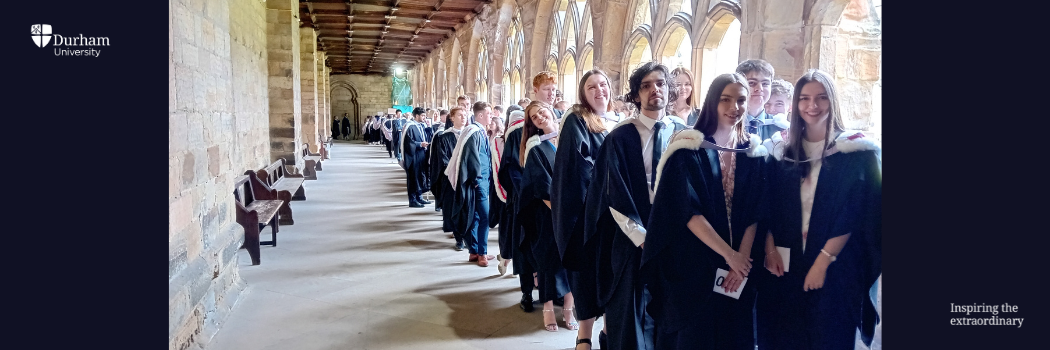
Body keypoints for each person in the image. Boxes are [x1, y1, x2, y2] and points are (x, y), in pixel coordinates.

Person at [640, 73, 770, 350]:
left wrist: (742, 261)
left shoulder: (753, 153)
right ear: (712, 102)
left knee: (734, 336)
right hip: (695, 267)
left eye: (741, 100)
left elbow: (756, 212)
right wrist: (729, 255)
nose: (734, 106)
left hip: (738, 271)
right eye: (726, 99)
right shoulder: (687, 150)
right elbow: (688, 210)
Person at [756, 69, 881, 350]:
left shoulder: (854, 152)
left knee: (829, 336)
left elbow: (858, 213)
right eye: (805, 98)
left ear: (832, 101)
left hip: (836, 267)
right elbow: (765, 207)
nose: (813, 106)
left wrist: (823, 262)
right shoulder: (780, 152)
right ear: (796, 104)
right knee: (783, 336)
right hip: (783, 265)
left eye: (821, 98)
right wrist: (770, 249)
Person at [584, 61, 688, 350]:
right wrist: (642, 237)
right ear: (636, 94)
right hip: (632, 236)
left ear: (670, 90)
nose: (655, 89)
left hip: (673, 234)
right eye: (646, 85)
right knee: (630, 314)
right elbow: (612, 192)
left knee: (671, 310)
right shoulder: (620, 136)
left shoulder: (684, 134)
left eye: (661, 84)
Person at [551, 68, 622, 350]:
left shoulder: (622, 121)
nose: (599, 90)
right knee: (588, 271)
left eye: (603, 84)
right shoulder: (578, 121)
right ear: (583, 93)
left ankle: (610, 330)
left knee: (615, 271)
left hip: (620, 212)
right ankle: (584, 335)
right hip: (590, 212)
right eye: (591, 86)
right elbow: (576, 167)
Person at [517, 101, 577, 333]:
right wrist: (563, 214)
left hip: (574, 215)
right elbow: (542, 187)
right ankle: (549, 308)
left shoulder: (570, 141)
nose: (540, 117)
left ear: (551, 111)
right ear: (531, 124)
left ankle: (570, 309)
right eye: (533, 117)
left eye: (541, 111)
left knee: (573, 262)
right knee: (549, 263)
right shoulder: (537, 149)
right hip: (550, 216)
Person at [446, 101, 496, 267]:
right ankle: (482, 252)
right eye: (489, 113)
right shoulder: (474, 132)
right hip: (478, 183)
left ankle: (474, 251)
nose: (492, 116)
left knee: (475, 217)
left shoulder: (477, 130)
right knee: (485, 218)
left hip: (482, 182)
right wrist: (476, 181)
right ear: (480, 115)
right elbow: (473, 158)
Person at [499, 107, 536, 312]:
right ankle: (527, 292)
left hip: (548, 199)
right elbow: (510, 167)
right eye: (546, 90)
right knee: (524, 245)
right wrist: (527, 191)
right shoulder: (516, 132)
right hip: (523, 198)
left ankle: (551, 291)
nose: (551, 94)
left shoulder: (555, 126)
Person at [434, 108, 467, 248]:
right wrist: (457, 172)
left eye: (465, 115)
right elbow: (443, 160)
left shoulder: (471, 134)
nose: (463, 117)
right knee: (455, 209)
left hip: (468, 179)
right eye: (460, 115)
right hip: (451, 179)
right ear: (452, 118)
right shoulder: (444, 137)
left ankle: (469, 238)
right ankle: (459, 239)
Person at [736, 59, 785, 141]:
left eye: (765, 83)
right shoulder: (728, 123)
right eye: (751, 83)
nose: (759, 88)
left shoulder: (780, 126)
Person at [401, 107, 432, 208]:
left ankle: (419, 197)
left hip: (422, 154)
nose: (424, 117)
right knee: (413, 177)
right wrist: (419, 144)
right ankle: (412, 200)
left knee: (420, 176)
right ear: (416, 116)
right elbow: (408, 142)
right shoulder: (409, 126)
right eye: (422, 115)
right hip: (413, 155)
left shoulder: (422, 125)